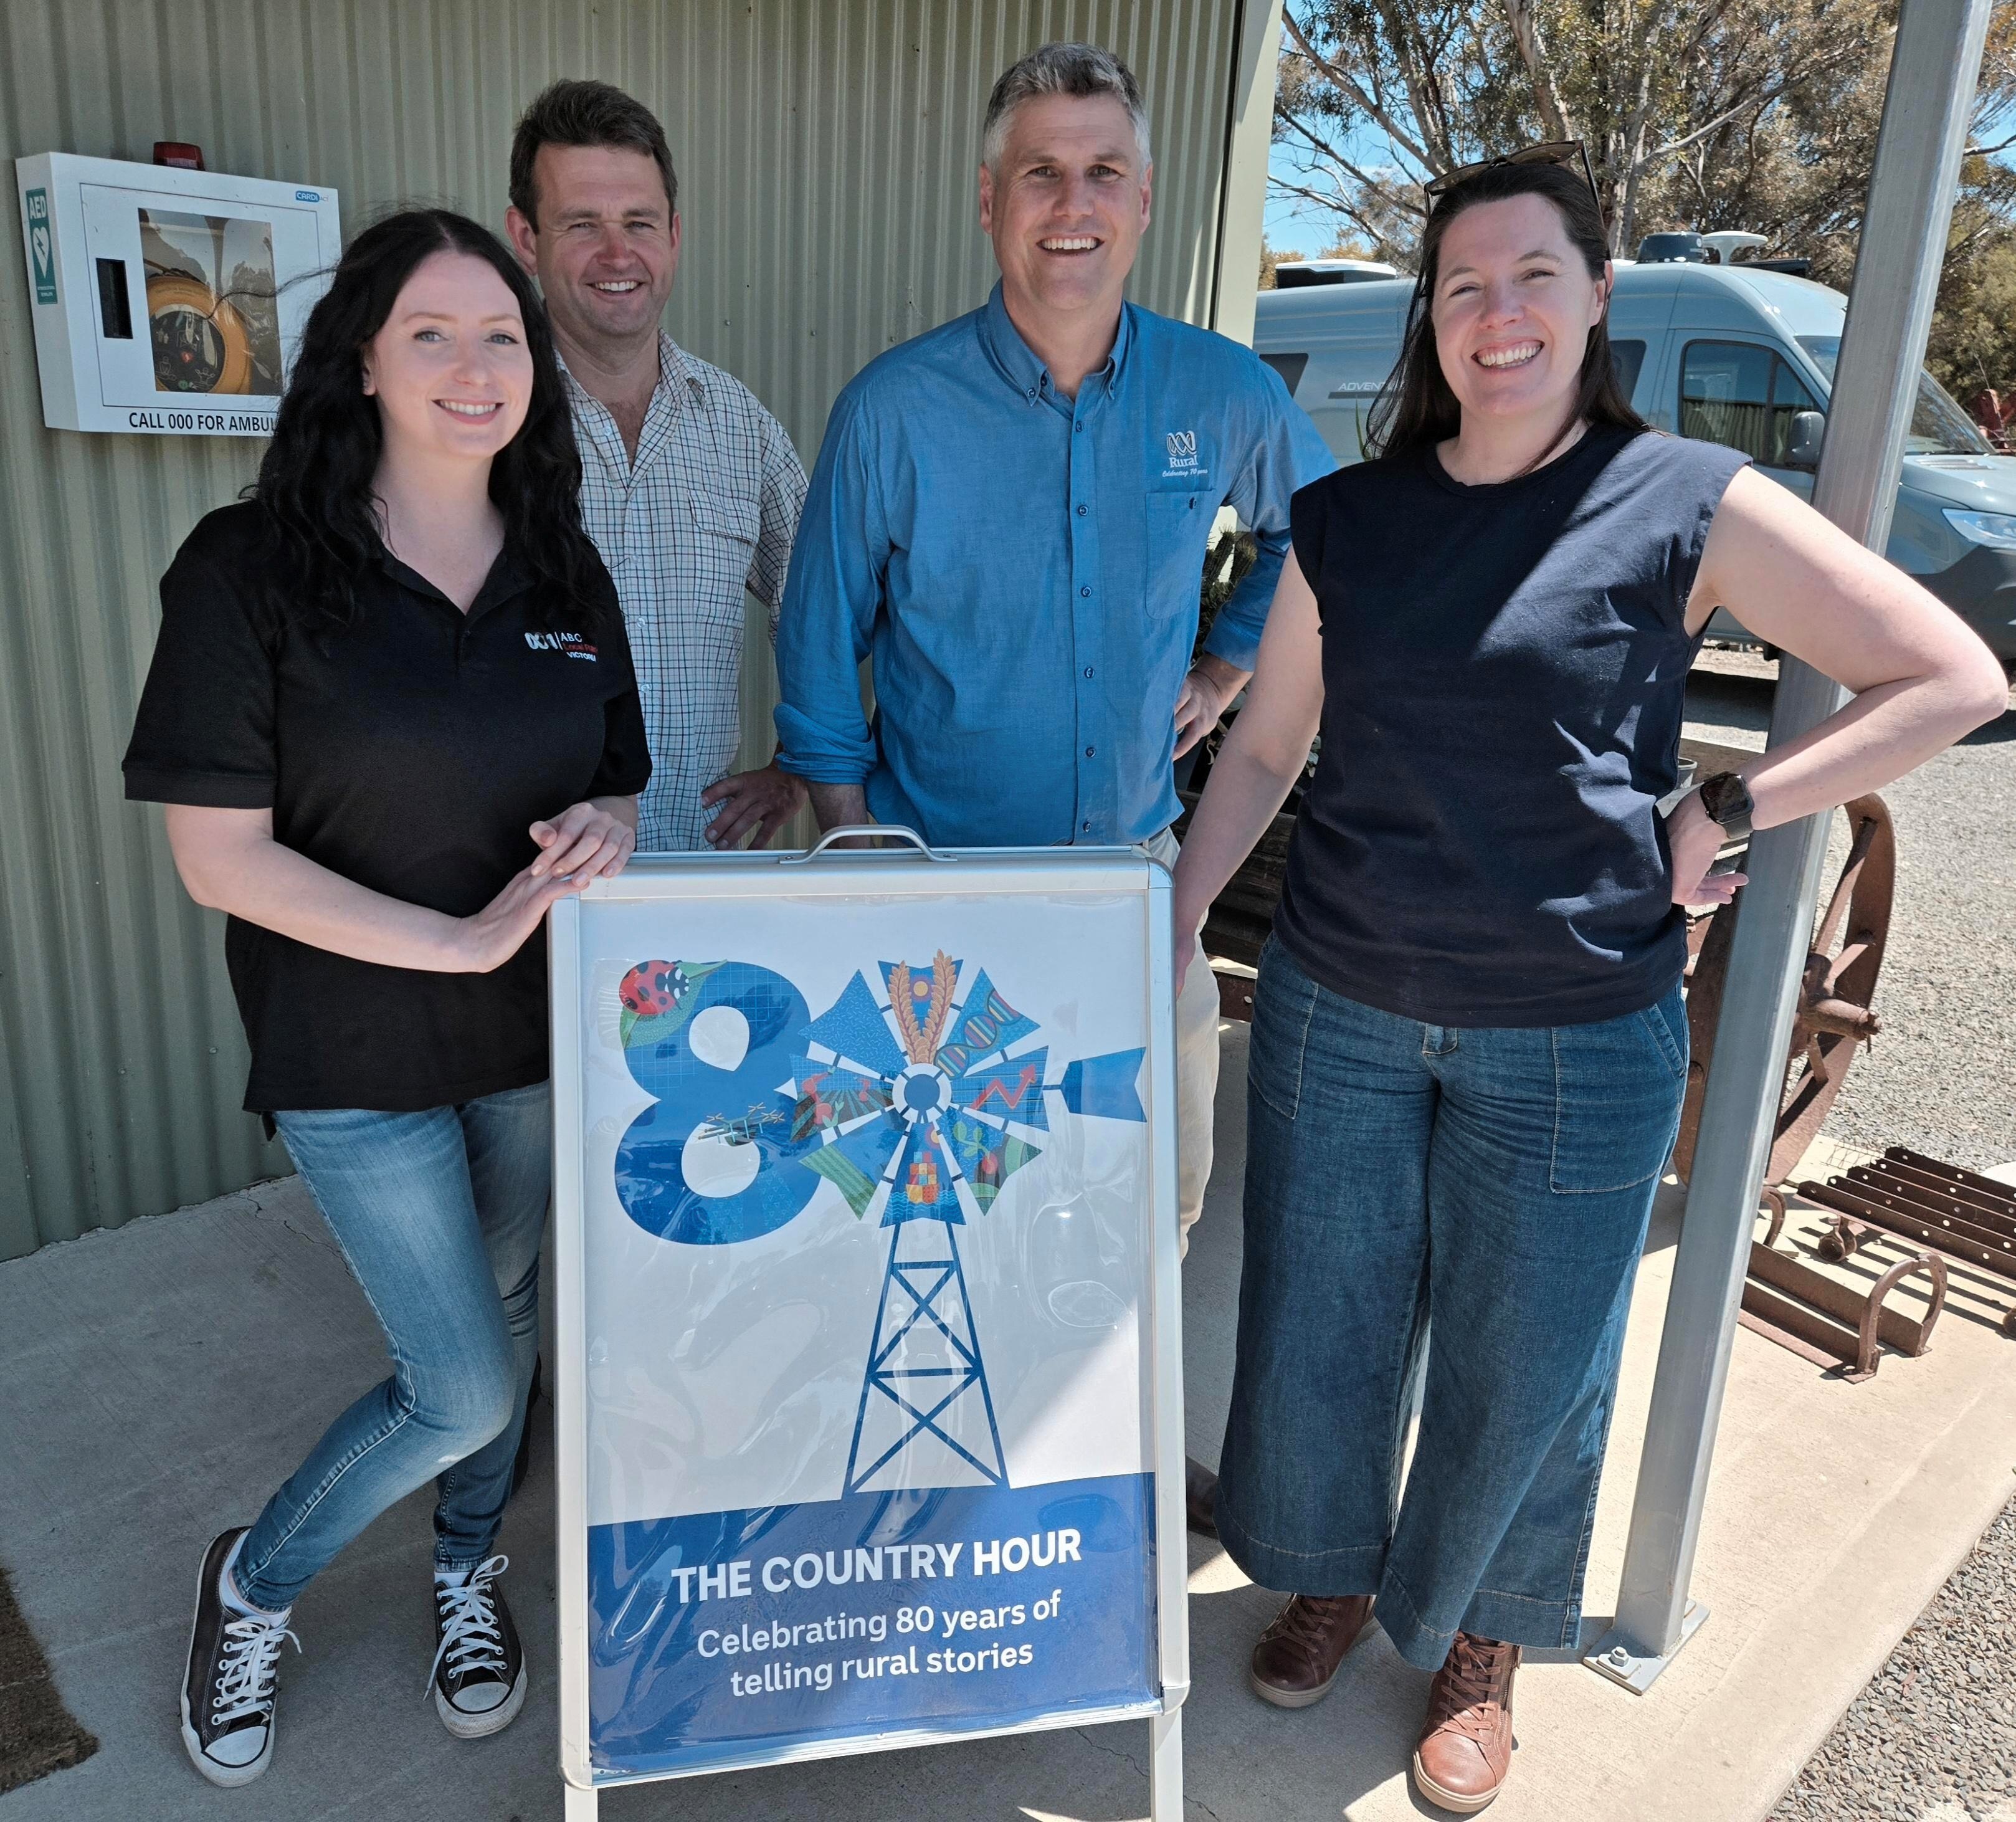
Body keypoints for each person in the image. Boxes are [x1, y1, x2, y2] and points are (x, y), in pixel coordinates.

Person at [1172, 151, 2007, 1814]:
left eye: (1533, 276)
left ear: (1596, 295)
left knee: (1531, 1357)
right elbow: (1264, 747)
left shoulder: (1681, 496)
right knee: (1318, 1325)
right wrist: (1175, 923)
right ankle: (1330, 1573)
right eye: (1463, 284)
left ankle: (1482, 1635)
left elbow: (1948, 674)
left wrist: (1733, 804)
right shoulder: (1350, 518)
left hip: (1572, 1025)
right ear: (1430, 314)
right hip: (1337, 1004)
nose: (1498, 314)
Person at [773, 42, 1333, 1527]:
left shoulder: (1220, 393)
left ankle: (1099, 1465)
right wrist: (854, 852)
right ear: (989, 201)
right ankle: (932, 1498)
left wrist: (1230, 654)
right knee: (939, 1215)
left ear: (1143, 202)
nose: (1070, 204)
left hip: (1139, 883)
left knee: (1152, 1198)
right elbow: (819, 647)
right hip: (937, 893)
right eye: (1040, 173)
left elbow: (1320, 531)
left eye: (1101, 173)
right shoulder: (894, 411)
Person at [124, 209, 650, 1786]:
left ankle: (464, 1564)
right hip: (349, 1049)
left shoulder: (563, 565)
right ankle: (254, 1578)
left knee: (506, 1313)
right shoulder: (250, 567)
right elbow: (218, 857)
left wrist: (608, 823)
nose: (474, 367)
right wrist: (458, 940)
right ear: (362, 359)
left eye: (501, 336)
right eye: (432, 332)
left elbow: (616, 772)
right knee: (464, 1379)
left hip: (530, 1038)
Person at [506, 78, 808, 853]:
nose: (618, 254)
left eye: (638, 222)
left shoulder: (740, 427)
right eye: (581, 224)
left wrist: (798, 764)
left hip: (693, 875)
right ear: (525, 237)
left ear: (673, 234)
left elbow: (823, 609)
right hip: (525, 878)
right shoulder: (485, 419)